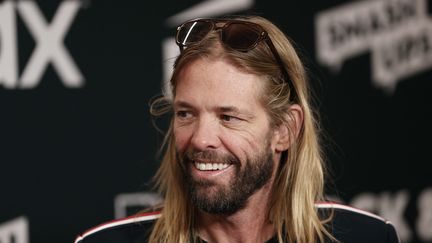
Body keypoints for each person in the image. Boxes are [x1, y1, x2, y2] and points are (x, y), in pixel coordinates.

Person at [74, 15, 400, 243]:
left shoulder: (366, 237)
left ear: (284, 130)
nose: (200, 138)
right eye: (186, 113)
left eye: (229, 117)